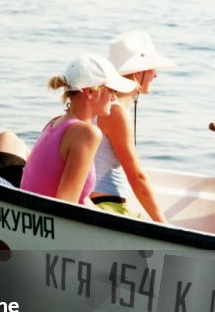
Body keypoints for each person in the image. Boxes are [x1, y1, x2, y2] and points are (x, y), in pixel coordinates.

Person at [20, 54, 136, 204]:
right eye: (112, 90)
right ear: (90, 92)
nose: (114, 97)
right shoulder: (88, 133)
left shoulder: (54, 123)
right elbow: (66, 205)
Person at [90, 31, 175, 222]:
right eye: (152, 69)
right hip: (106, 206)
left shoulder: (106, 104)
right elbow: (136, 177)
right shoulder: (115, 111)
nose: (156, 74)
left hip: (104, 202)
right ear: (138, 72)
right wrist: (163, 224)